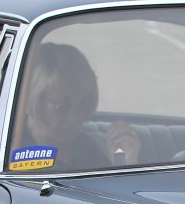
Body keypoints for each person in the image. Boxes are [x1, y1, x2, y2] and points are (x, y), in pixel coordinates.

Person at [16, 43, 138, 172]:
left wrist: (127, 161)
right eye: (61, 106)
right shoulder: (10, 152)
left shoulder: (88, 149)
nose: (76, 117)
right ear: (29, 100)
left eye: (83, 104)